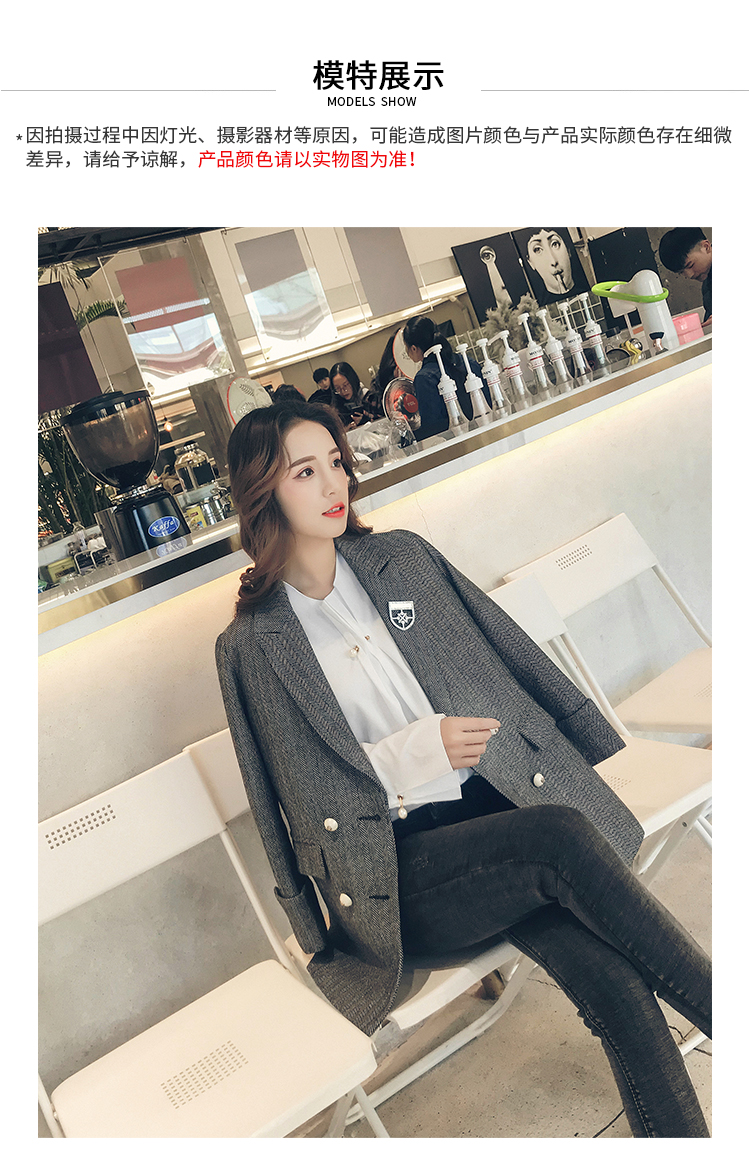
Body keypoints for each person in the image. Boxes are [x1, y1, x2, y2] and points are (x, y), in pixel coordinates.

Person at [216, 399, 711, 1139]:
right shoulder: (253, 646)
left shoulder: (402, 563)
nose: (333, 484)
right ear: (263, 492)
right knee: (559, 838)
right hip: (400, 874)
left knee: (615, 982)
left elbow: (503, 647)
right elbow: (301, 796)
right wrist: (420, 751)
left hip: (499, 825)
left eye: (336, 463)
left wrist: (582, 739)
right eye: (305, 472)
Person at [402, 316, 491, 440]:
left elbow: (432, 429)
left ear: (413, 348)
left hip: (459, 443)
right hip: (490, 431)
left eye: (406, 347)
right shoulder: (468, 362)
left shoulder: (425, 378)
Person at [658, 228, 712, 324]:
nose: (689, 275)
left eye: (690, 265)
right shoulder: (707, 284)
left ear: (706, 247)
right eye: (681, 272)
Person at [329, 361, 374, 430]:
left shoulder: (368, 397)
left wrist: (365, 420)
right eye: (337, 388)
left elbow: (381, 421)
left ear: (353, 381)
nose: (343, 391)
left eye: (345, 385)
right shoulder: (336, 406)